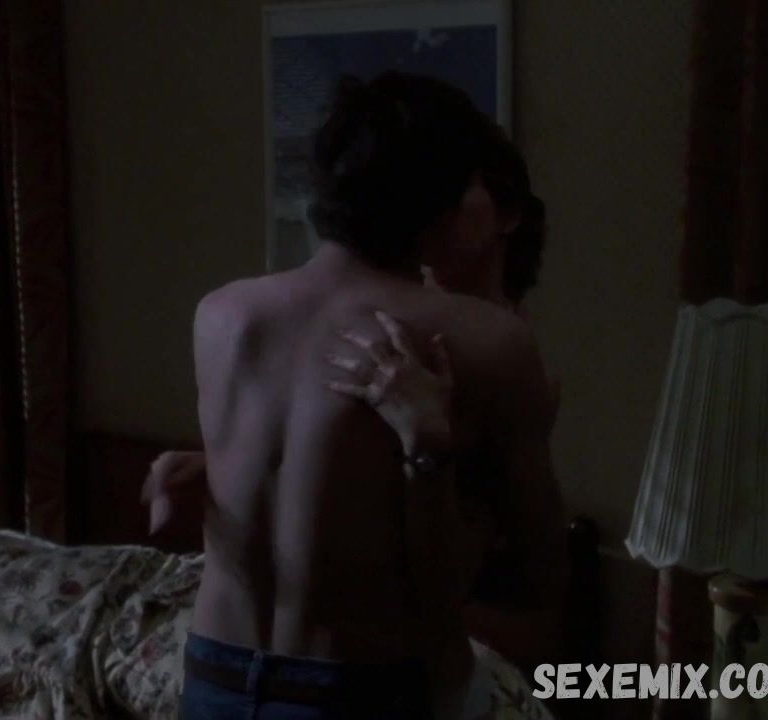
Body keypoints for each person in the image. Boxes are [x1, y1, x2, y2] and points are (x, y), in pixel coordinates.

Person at [164, 72, 566, 719]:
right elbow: (539, 572)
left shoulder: (221, 315)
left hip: (216, 670)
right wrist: (432, 458)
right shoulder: (486, 341)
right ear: (441, 202)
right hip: (354, 688)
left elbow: (305, 482)